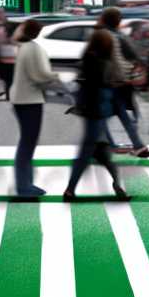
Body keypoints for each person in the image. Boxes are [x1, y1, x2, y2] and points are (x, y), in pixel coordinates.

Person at [63, 27, 130, 201]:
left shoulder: (88, 58)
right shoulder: (101, 63)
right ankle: (70, 190)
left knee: (101, 153)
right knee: (88, 154)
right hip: (98, 113)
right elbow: (103, 87)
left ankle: (118, 187)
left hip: (92, 113)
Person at [97, 7, 149, 158]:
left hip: (107, 82)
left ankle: (108, 145)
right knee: (120, 113)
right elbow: (134, 56)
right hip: (120, 81)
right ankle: (136, 145)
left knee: (101, 115)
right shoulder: (119, 36)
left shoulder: (102, 35)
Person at [10, 19, 61, 197]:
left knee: (26, 143)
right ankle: (24, 187)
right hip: (29, 101)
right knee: (27, 144)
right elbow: (39, 75)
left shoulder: (24, 47)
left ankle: (26, 183)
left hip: (22, 100)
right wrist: (57, 76)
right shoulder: (32, 48)